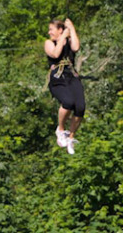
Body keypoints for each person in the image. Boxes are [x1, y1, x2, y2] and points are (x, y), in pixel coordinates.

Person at [44, 17, 84, 154]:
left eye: (51, 30)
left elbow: (76, 47)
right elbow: (55, 54)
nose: (49, 32)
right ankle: (60, 129)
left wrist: (71, 29)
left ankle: (70, 138)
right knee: (68, 102)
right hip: (57, 78)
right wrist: (62, 38)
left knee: (80, 108)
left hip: (71, 76)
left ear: (60, 30)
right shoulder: (49, 43)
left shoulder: (69, 40)